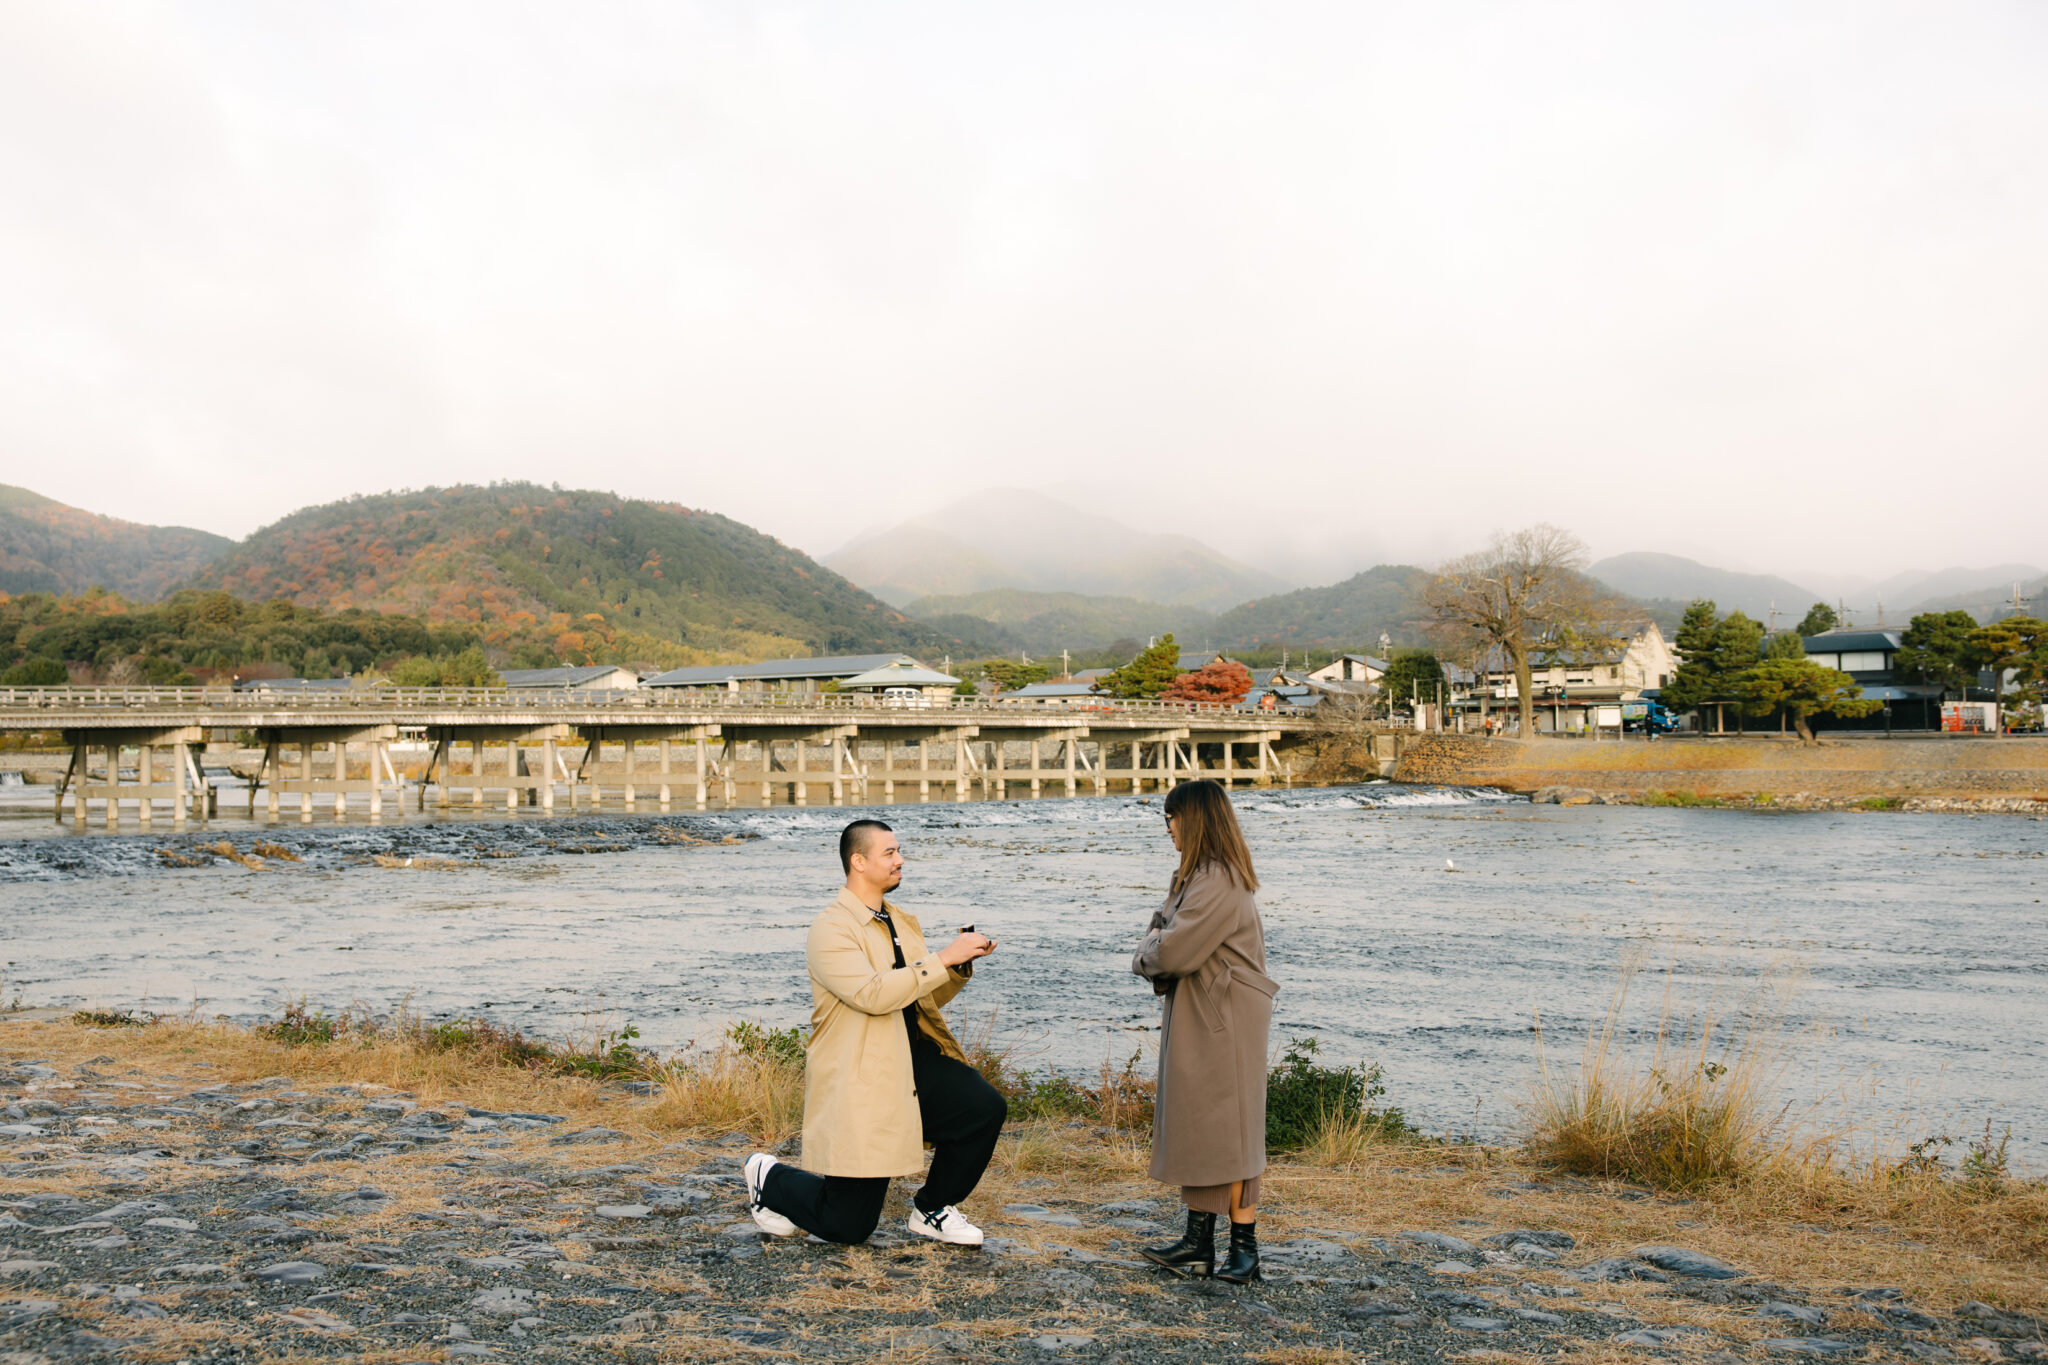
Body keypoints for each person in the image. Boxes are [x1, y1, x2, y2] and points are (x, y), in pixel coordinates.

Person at [743, 819, 1006, 1247]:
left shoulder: (900, 921)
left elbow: (918, 996)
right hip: (862, 1076)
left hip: (911, 1061)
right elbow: (871, 995)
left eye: (899, 851)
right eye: (890, 853)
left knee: (982, 1107)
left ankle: (933, 1207)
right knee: (847, 1226)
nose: (900, 860)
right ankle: (767, 1177)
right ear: (858, 861)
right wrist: (942, 957)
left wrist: (956, 965)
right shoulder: (830, 929)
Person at [1131, 779, 1278, 1283]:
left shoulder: (1215, 878)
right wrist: (1157, 942)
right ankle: (1199, 1244)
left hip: (1223, 1014)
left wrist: (1147, 949)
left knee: (1230, 1130)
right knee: (1206, 1125)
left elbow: (1170, 949)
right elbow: (1165, 937)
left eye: (1170, 817)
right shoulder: (1200, 874)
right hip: (1209, 1007)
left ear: (1191, 819)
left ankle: (1243, 1249)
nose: (1167, 827)